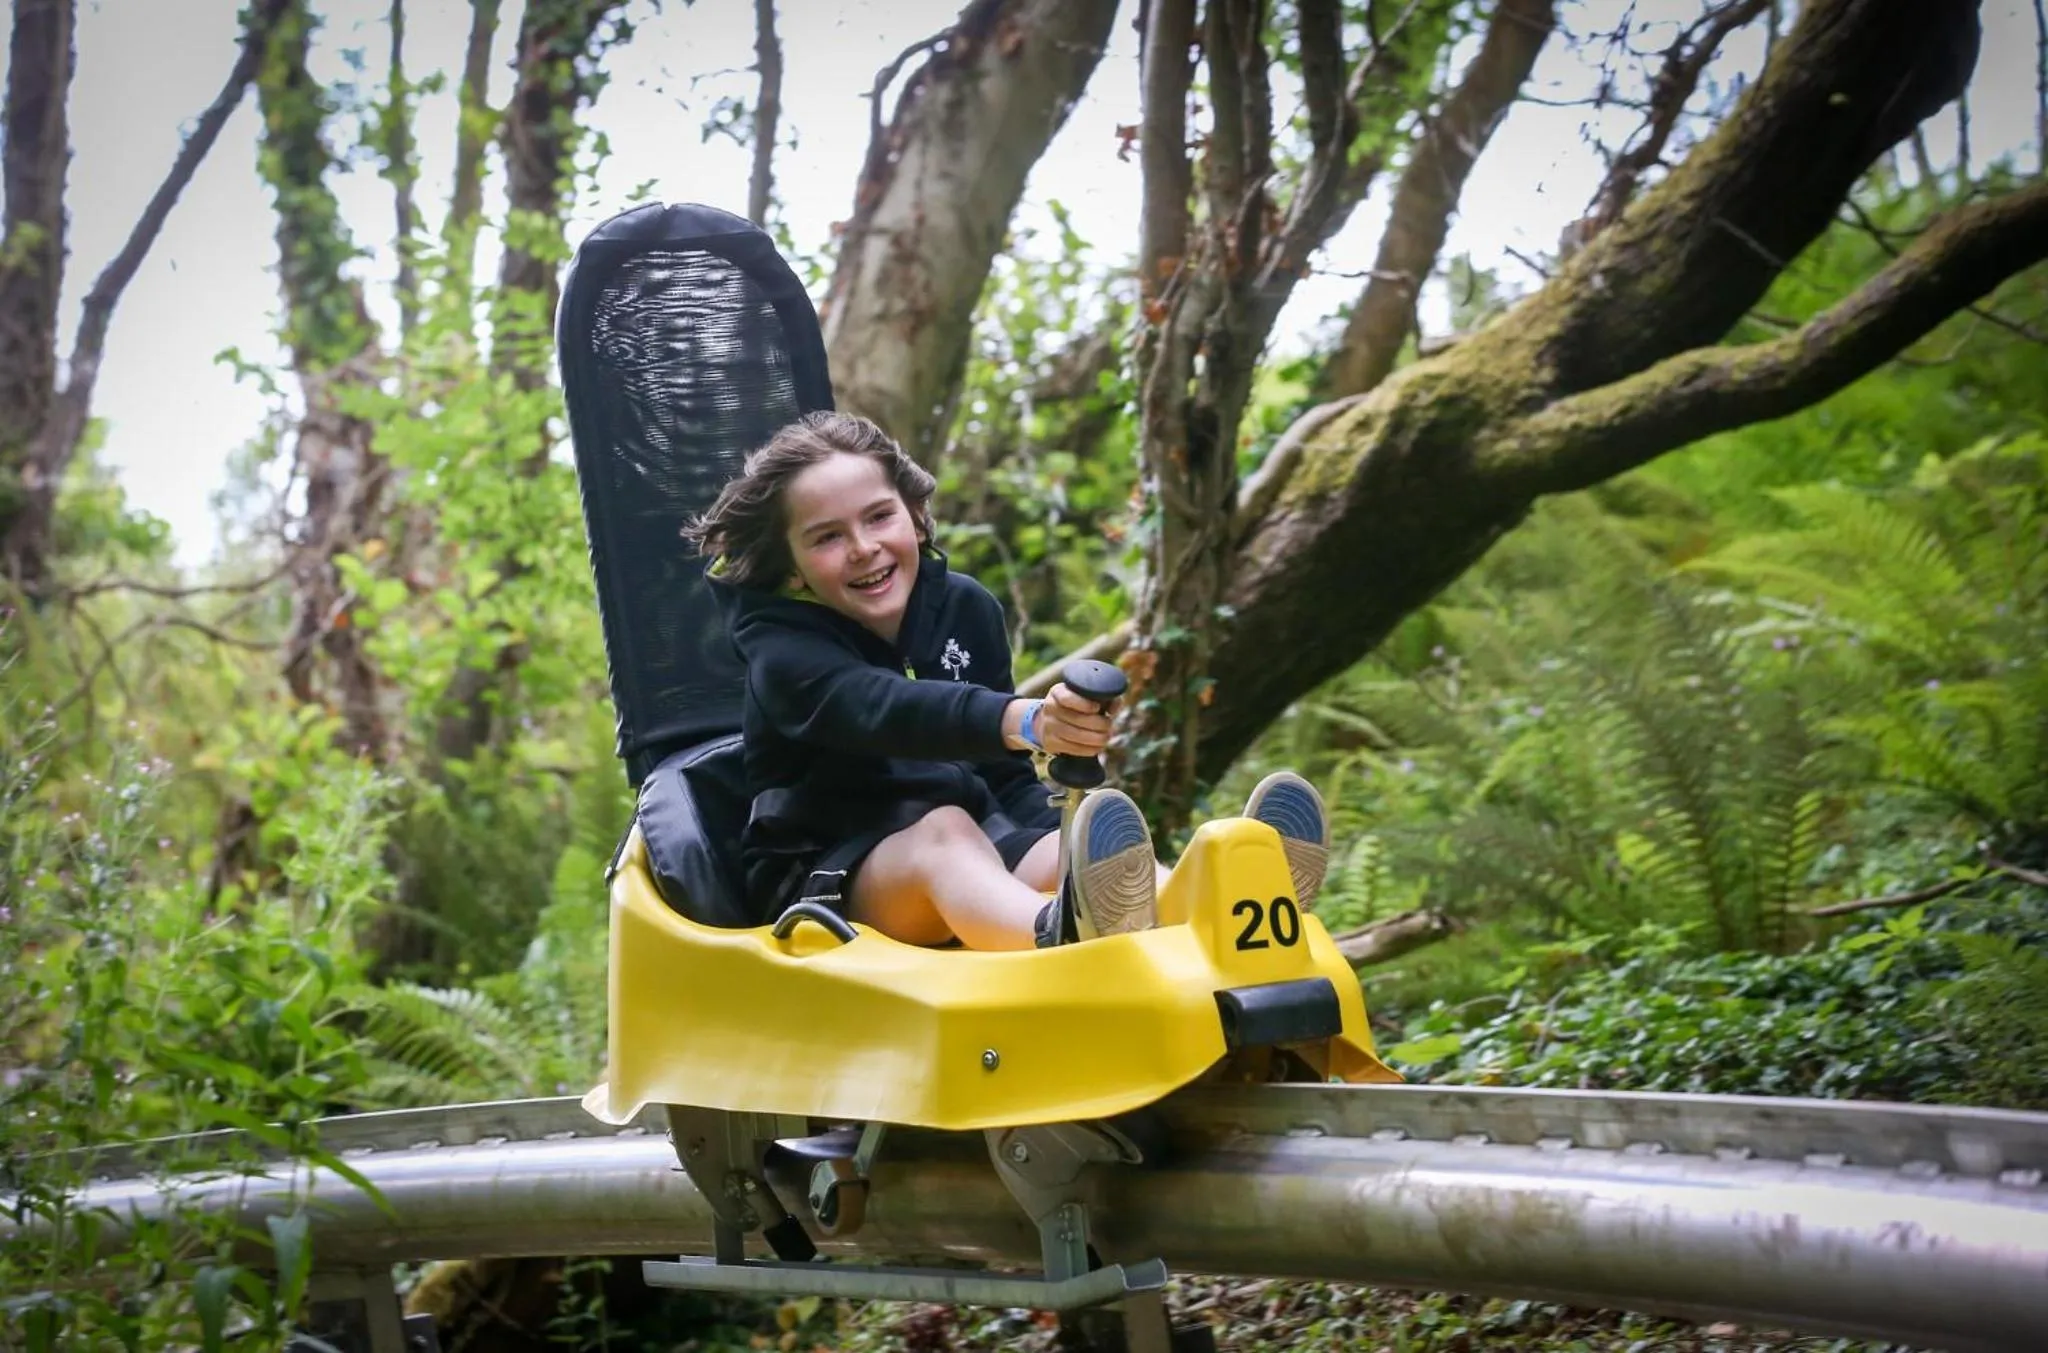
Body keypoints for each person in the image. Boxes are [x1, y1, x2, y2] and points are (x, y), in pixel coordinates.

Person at [687, 411, 1329, 950]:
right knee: (945, 832)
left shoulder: (965, 610)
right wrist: (1026, 722)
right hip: (824, 878)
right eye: (827, 537)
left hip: (972, 847)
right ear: (793, 570)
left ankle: (1218, 907)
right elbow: (884, 707)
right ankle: (1062, 937)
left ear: (914, 517)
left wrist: (1059, 839)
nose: (862, 547)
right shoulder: (782, 652)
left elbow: (1000, 779)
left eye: (879, 517)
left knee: (1066, 851)